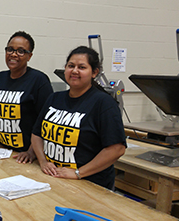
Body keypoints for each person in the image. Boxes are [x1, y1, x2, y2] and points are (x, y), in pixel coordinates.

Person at [31, 46, 126, 190]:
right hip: (54, 179)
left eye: (81, 67)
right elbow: (37, 134)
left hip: (90, 185)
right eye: (71, 66)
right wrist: (43, 162)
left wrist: (78, 173)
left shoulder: (103, 103)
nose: (74, 71)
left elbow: (117, 148)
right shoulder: (54, 98)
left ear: (94, 72)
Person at [0, 31, 53, 163]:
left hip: (26, 155)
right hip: (3, 150)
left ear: (29, 56)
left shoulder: (39, 80)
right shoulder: (0, 78)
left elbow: (45, 121)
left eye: (20, 51)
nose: (13, 54)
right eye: (10, 49)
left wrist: (32, 151)